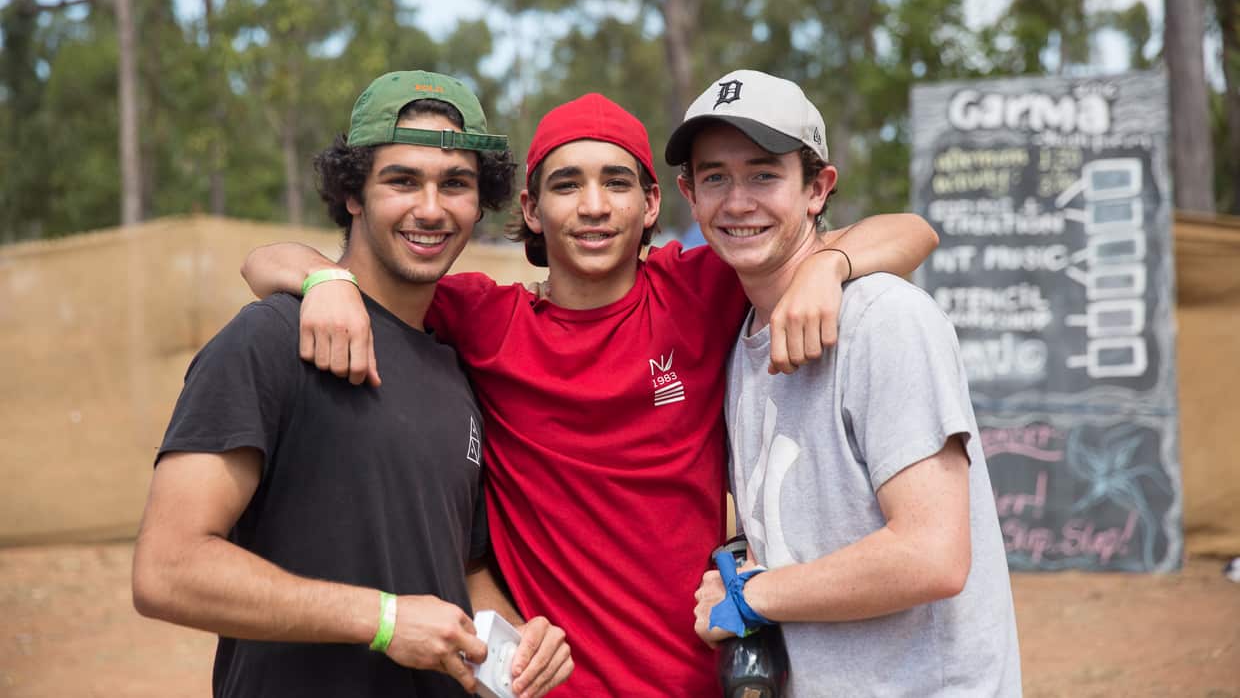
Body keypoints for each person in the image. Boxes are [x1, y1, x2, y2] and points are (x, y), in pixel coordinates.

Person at [241, 91, 940, 696]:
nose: (595, 206)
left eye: (616, 182)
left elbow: (911, 230)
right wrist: (325, 281)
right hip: (548, 687)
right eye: (568, 184)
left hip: (696, 678)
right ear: (532, 208)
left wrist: (828, 266)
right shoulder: (484, 318)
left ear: (652, 202)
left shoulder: (701, 289)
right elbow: (264, 260)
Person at [131, 71, 572, 698]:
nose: (430, 207)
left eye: (456, 184)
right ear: (353, 195)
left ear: (480, 204)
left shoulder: (456, 372)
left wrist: (514, 642)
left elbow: (462, 567)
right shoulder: (270, 340)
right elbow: (166, 571)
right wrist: (384, 620)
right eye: (401, 180)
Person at [676, 70, 1022, 696]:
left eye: (763, 174)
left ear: (818, 187)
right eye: (715, 177)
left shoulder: (884, 319)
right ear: (689, 195)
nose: (737, 201)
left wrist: (752, 595)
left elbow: (932, 554)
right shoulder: (738, 333)